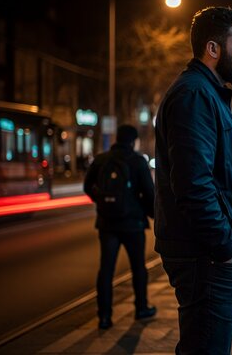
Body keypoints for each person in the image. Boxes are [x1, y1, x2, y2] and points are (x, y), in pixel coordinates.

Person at [153, 6, 232, 355]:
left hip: (208, 253)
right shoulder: (195, 95)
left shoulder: (206, 94)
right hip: (206, 255)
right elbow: (193, 184)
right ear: (213, 49)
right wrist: (225, 248)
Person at [83, 124, 156, 330]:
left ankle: (104, 316)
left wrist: (102, 201)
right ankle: (141, 307)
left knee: (106, 270)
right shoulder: (137, 161)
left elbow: (87, 186)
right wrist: (150, 213)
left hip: (107, 224)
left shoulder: (101, 159)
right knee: (138, 267)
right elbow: (149, 193)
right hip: (133, 223)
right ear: (133, 141)